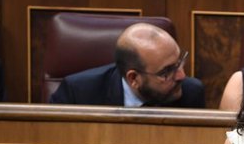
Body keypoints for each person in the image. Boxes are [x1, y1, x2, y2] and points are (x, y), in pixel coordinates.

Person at [50, 23, 204, 107]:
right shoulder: (77, 95)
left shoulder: (191, 93)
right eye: (167, 72)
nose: (182, 75)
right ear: (133, 78)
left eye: (179, 62)